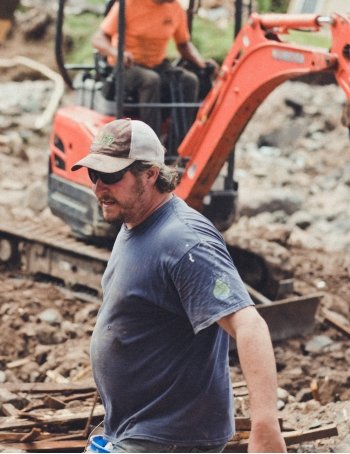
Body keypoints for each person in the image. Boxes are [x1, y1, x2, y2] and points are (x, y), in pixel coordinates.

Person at [72, 118, 287, 453]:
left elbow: (249, 324)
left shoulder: (184, 241)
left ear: (150, 174)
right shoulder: (134, 223)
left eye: (112, 176)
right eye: (93, 174)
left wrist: (265, 428)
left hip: (170, 438)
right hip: (135, 429)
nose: (99, 187)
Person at [92, 0, 217, 136]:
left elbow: (183, 44)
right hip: (126, 67)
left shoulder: (175, 8)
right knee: (150, 80)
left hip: (158, 65)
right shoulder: (129, 4)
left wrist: (202, 63)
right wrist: (117, 53)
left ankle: (180, 142)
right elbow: (98, 39)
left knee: (189, 80)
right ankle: (152, 141)